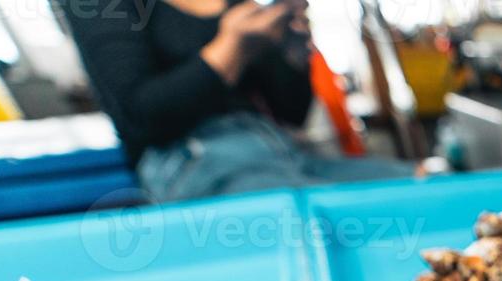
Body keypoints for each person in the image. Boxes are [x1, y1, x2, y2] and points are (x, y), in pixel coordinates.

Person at [61, 0, 415, 202]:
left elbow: (292, 112)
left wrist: (292, 52)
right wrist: (231, 47)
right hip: (187, 163)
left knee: (421, 186)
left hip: (278, 151)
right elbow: (140, 116)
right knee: (337, 216)